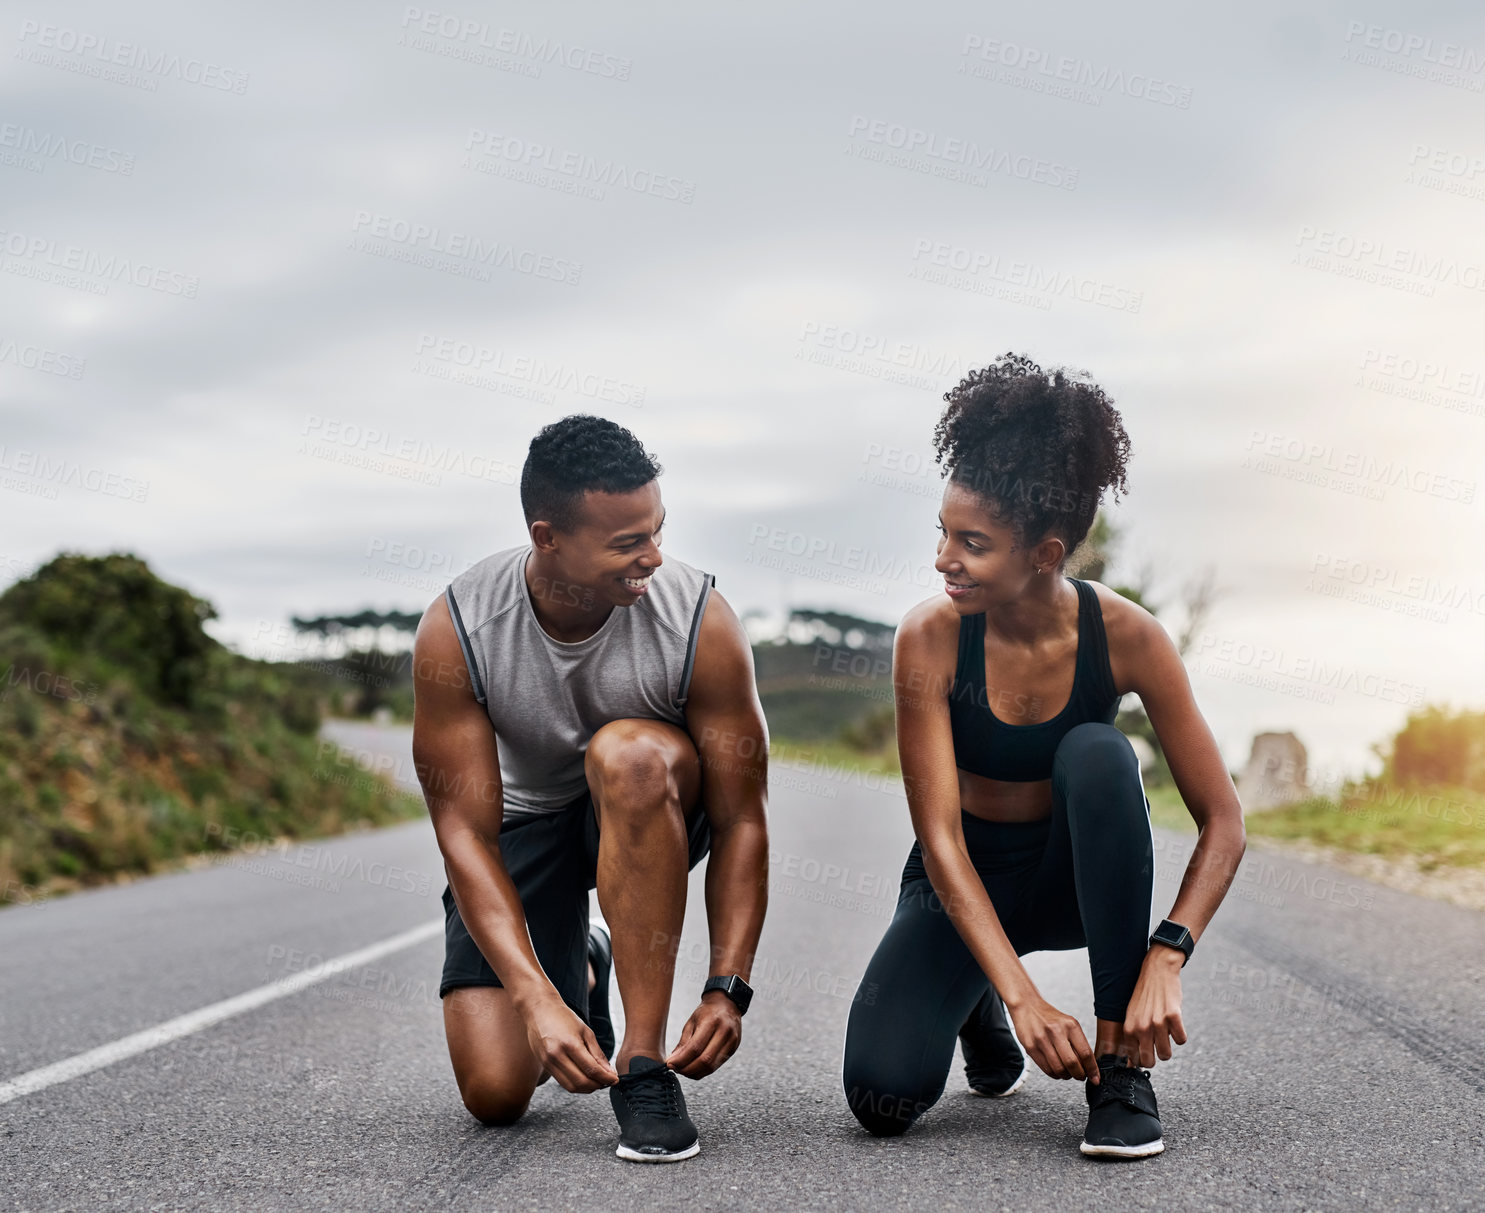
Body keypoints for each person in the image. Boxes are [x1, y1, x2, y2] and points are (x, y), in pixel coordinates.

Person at [841, 353, 1247, 1158]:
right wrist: (1023, 998)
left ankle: (1120, 1068)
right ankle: (980, 1003)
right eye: (943, 533)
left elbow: (1224, 822)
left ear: (1044, 553)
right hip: (962, 880)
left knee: (1100, 754)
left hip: (1070, 879)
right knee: (879, 1097)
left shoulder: (1128, 636)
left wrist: (1168, 953)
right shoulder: (929, 637)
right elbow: (942, 841)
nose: (943, 560)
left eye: (973, 543)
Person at [412, 415, 770, 1162]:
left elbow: (741, 820)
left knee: (629, 753)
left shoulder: (698, 620)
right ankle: (583, 964)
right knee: (496, 1091)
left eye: (657, 530)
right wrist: (537, 996)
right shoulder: (460, 629)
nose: (654, 556)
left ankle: (641, 1066)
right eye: (627, 543)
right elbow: (464, 836)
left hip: (649, 803)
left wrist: (727, 986)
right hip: (525, 822)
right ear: (548, 538)